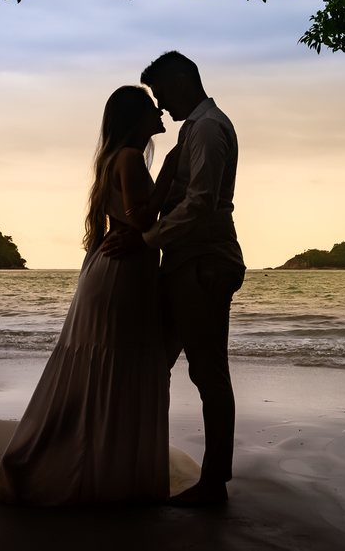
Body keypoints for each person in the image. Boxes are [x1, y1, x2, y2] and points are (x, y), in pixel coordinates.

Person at [0, 85, 197, 505]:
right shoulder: (127, 158)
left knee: (111, 365)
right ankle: (107, 471)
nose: (160, 113)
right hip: (125, 269)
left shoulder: (113, 159)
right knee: (122, 363)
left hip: (117, 267)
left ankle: (103, 465)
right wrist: (171, 170)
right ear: (135, 118)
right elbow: (142, 219)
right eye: (151, 109)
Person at [104, 51, 245, 506]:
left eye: (162, 94)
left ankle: (214, 482)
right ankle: (135, 460)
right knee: (154, 362)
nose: (160, 105)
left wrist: (146, 239)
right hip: (183, 261)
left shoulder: (206, 128)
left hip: (203, 262)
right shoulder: (191, 130)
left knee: (207, 373)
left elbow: (201, 204)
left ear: (182, 82)